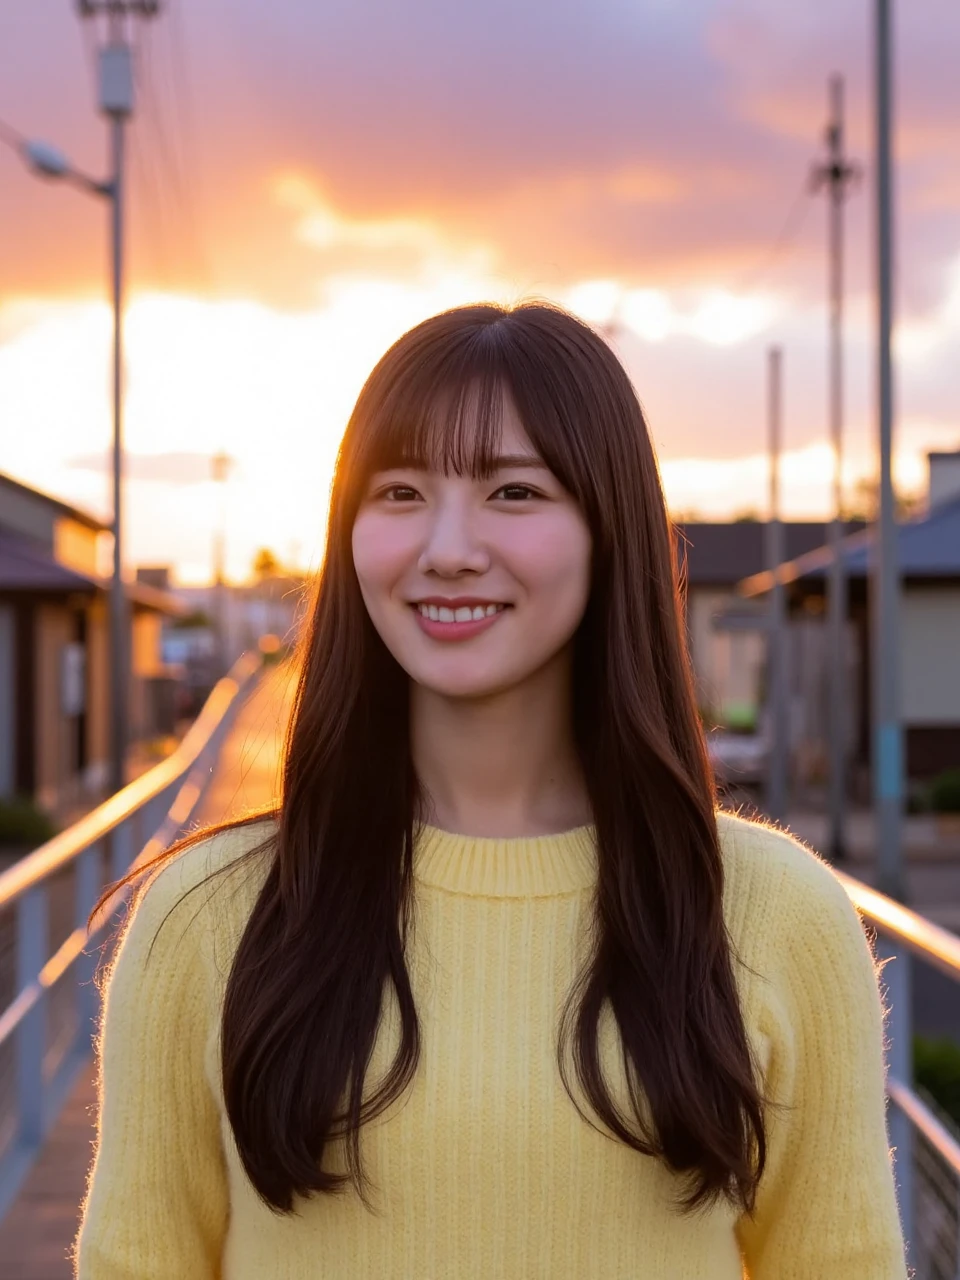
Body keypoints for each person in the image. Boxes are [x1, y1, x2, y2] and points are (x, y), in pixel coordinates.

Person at [74, 302, 907, 1279]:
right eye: (399, 492)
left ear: (610, 528)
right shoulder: (205, 915)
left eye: (513, 491)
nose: (449, 546)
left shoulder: (777, 911)